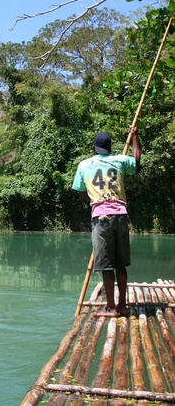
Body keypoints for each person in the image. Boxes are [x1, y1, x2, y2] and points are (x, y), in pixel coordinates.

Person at [72, 127, 141, 317]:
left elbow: (80, 191)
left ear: (94, 148)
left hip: (101, 219)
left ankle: (111, 307)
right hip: (121, 216)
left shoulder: (84, 165)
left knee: (106, 265)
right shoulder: (119, 160)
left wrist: (94, 201)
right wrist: (134, 136)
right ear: (109, 148)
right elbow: (135, 160)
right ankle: (123, 306)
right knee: (121, 265)